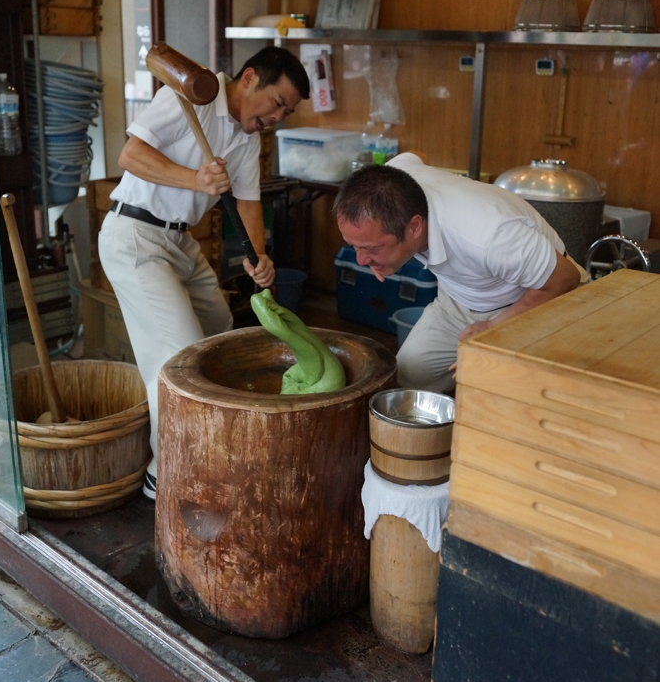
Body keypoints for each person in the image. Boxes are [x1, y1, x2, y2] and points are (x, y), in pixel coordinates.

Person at [99, 46, 309, 499]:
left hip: (179, 242)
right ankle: (167, 471)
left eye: (286, 112)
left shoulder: (248, 140)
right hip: (135, 236)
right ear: (250, 78)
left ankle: (212, 443)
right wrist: (194, 179)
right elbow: (131, 156)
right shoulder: (188, 96)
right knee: (179, 357)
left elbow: (249, 204)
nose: (278, 117)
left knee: (219, 334)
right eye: (278, 103)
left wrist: (259, 256)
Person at [333, 152, 586, 394]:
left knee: (501, 391)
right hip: (459, 294)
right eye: (355, 246)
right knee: (407, 376)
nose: (361, 260)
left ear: (415, 227)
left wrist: (493, 327)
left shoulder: (488, 235)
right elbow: (417, 154)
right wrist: (378, 256)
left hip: (535, 298)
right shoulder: (392, 179)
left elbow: (565, 278)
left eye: (371, 248)